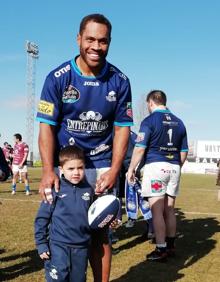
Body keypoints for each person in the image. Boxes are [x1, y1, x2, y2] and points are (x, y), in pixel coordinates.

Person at [36, 14, 133, 281]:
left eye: (103, 41)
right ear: (79, 39)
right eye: (90, 39)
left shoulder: (120, 81)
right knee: (65, 227)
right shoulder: (56, 78)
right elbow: (46, 126)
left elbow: (122, 128)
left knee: (101, 233)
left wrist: (115, 170)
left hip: (101, 167)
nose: (96, 46)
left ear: (109, 43)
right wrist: (48, 170)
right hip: (67, 168)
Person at [127, 90, 188, 262]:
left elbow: (139, 148)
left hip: (156, 167)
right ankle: (171, 245)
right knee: (170, 209)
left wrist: (131, 168)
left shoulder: (150, 120)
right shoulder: (179, 122)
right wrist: (176, 166)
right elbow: (184, 151)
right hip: (175, 167)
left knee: (157, 210)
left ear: (151, 103)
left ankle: (161, 249)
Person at [35, 145, 94, 282]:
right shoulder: (55, 190)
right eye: (71, 168)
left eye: (80, 168)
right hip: (58, 246)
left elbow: (93, 218)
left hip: (81, 247)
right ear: (61, 169)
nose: (76, 172)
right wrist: (41, 244)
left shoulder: (89, 190)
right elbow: (41, 219)